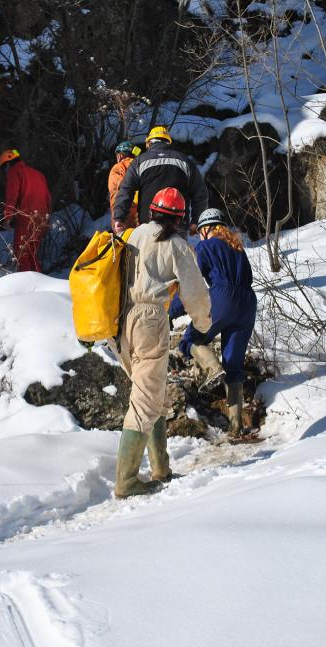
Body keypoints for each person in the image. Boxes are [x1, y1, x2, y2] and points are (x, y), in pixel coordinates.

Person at [111, 187, 216, 499]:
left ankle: (161, 468)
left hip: (120, 320)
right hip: (148, 319)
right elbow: (195, 292)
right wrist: (203, 323)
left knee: (148, 391)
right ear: (179, 219)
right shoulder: (176, 246)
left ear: (152, 211)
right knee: (146, 396)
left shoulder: (131, 236)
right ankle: (126, 481)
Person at [171, 208, 257, 435]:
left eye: (200, 232)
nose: (200, 237)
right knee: (234, 366)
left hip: (223, 298)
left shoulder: (206, 247)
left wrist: (172, 310)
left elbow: (194, 285)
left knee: (190, 339)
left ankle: (212, 368)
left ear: (207, 229)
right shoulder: (238, 248)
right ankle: (236, 428)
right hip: (248, 304)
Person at [111, 126, 207, 237]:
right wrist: (196, 221)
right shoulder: (185, 161)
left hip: (147, 226)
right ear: (168, 142)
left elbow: (125, 190)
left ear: (149, 143)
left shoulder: (139, 162)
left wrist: (119, 218)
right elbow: (200, 193)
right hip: (178, 225)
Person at [0, 148, 52, 272]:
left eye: (3, 168)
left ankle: (26, 287)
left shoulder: (14, 172)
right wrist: (48, 219)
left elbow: (12, 196)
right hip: (42, 218)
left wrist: (7, 217)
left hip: (26, 216)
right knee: (32, 253)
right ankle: (38, 283)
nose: (5, 172)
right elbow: (48, 197)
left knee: (21, 252)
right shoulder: (38, 174)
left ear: (8, 164)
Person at [107, 141, 139, 230]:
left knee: (123, 241)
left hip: (123, 214)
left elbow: (117, 189)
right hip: (141, 214)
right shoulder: (141, 165)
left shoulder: (118, 168)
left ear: (120, 155)